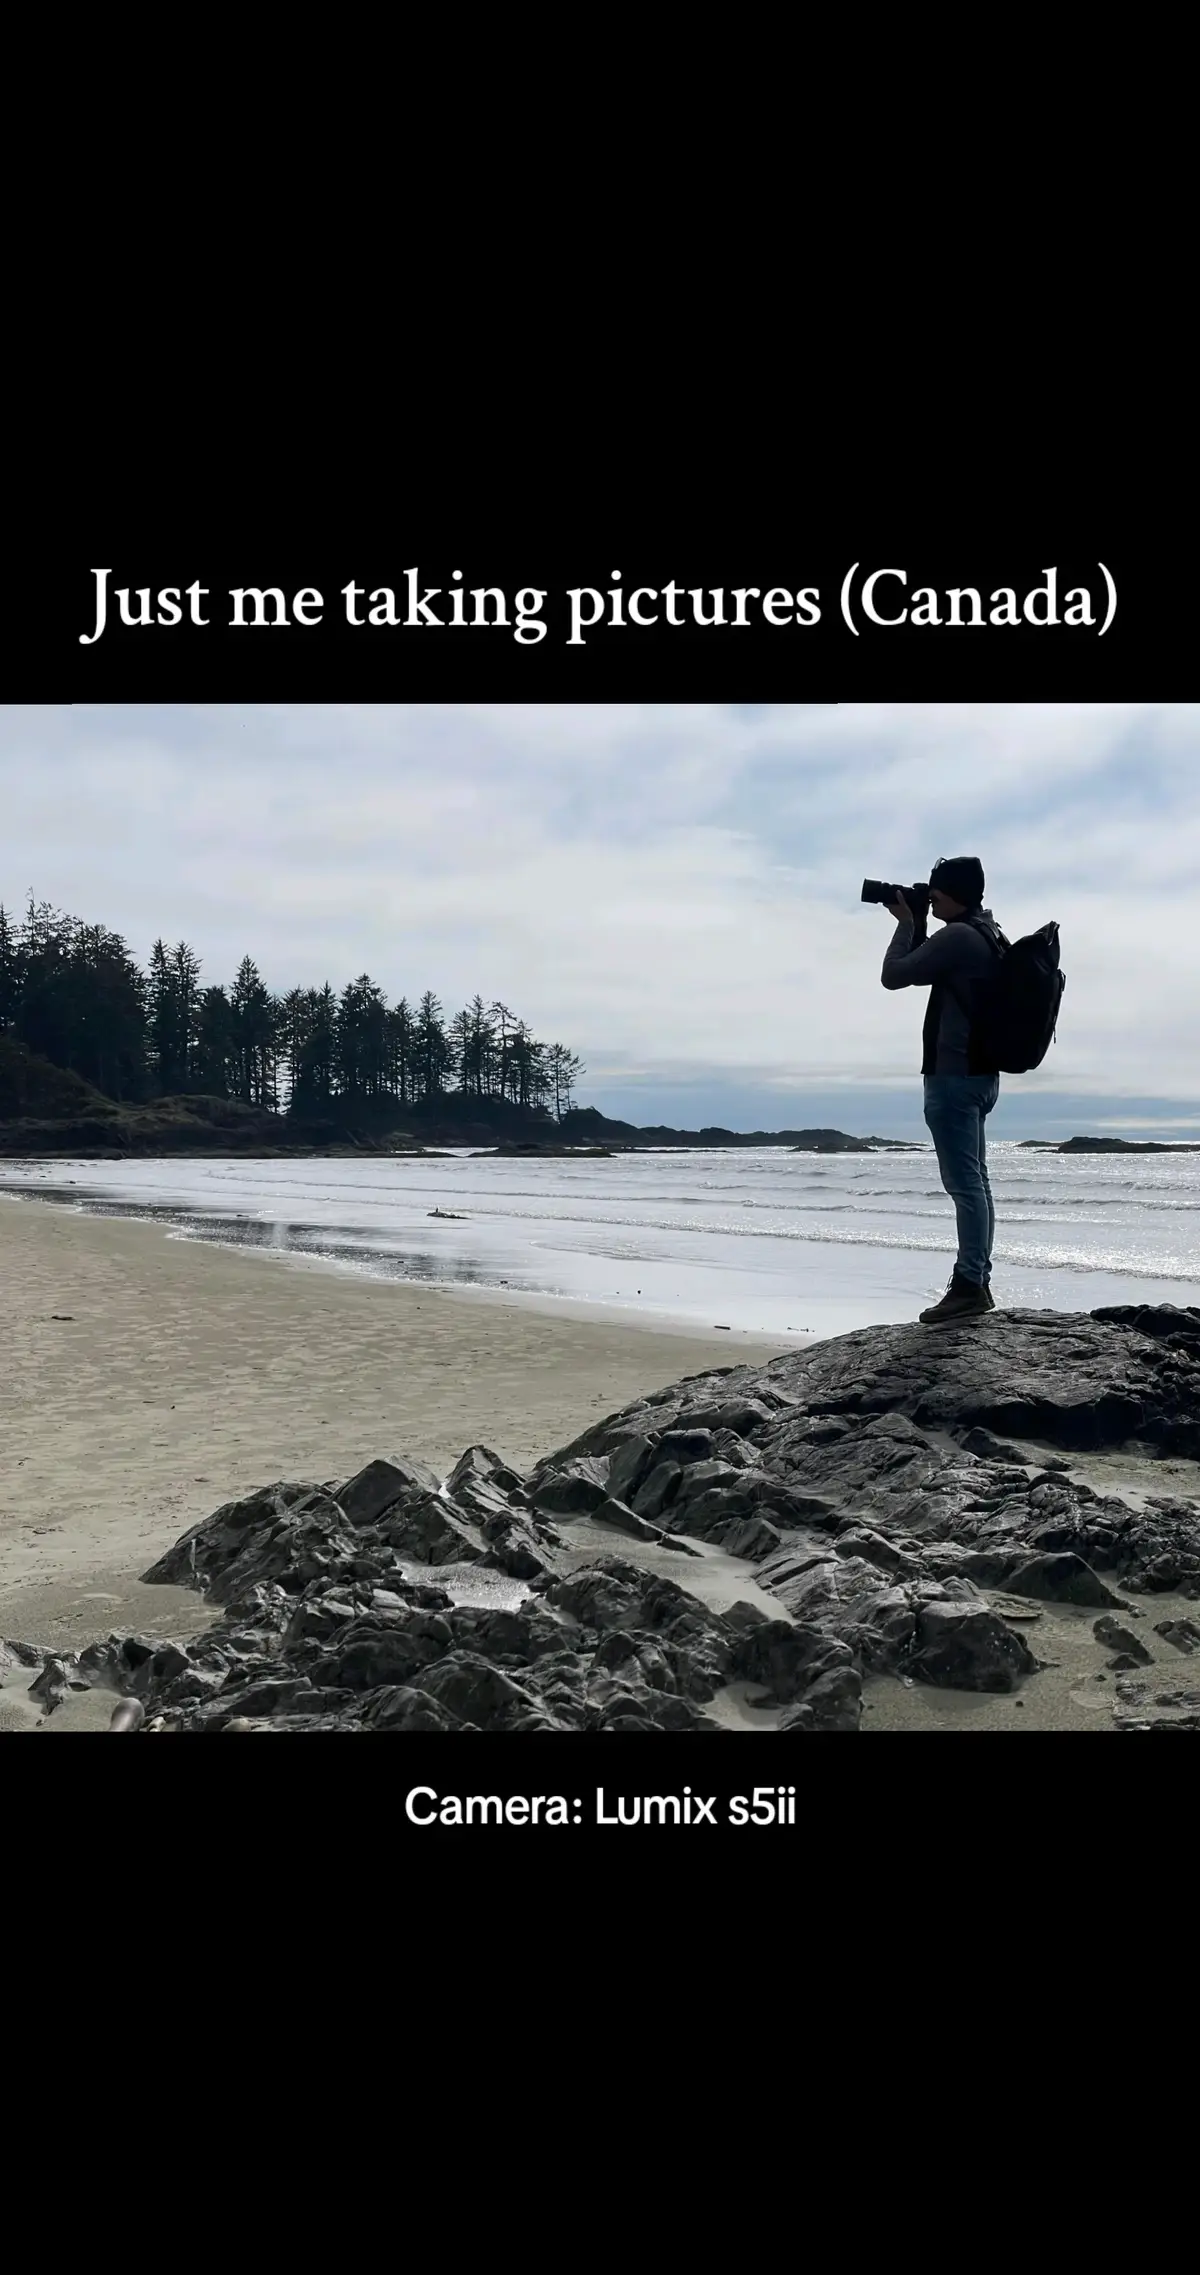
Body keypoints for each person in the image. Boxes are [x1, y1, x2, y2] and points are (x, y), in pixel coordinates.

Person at [880, 855, 1005, 1323]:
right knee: (977, 1183)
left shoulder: (958, 936)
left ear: (953, 892)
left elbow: (894, 975)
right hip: (981, 1077)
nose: (929, 902)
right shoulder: (986, 932)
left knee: (964, 1185)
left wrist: (905, 924)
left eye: (934, 895)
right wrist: (917, 921)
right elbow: (925, 964)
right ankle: (977, 1280)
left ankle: (970, 1286)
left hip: (953, 1077)